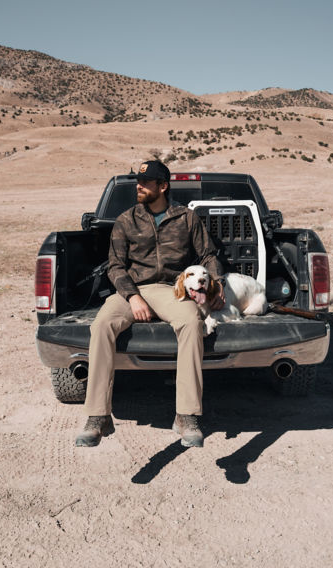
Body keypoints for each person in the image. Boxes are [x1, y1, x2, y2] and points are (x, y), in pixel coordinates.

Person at [75, 159, 224, 449]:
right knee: (102, 324)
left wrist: (217, 286)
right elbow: (115, 267)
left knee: (192, 323)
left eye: (145, 183)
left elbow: (208, 255)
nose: (139, 187)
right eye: (137, 183)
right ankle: (97, 417)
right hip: (132, 289)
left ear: (163, 186)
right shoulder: (125, 220)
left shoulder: (186, 218)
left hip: (171, 290)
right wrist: (133, 297)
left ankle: (186, 416)